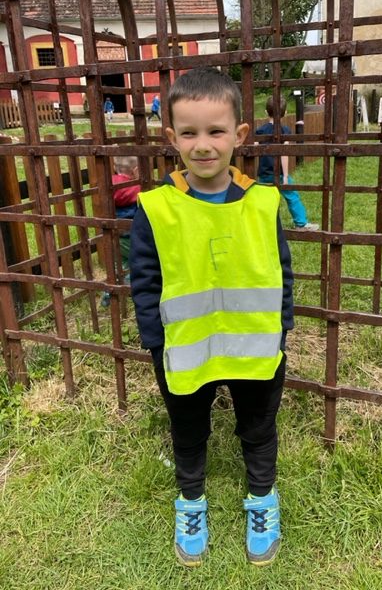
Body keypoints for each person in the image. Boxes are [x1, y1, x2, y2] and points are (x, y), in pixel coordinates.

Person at [129, 67, 293, 567]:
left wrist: (282, 329)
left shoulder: (263, 202)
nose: (203, 145)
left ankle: (262, 500)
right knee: (188, 429)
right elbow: (145, 280)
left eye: (216, 131)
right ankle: (191, 502)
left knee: (258, 428)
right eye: (189, 133)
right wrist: (156, 342)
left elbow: (281, 270)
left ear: (239, 134)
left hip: (255, 345)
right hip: (185, 348)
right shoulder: (156, 208)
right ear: (171, 137)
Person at [256, 95, 319, 231]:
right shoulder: (284, 131)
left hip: (264, 173)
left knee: (265, 200)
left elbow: (254, 148)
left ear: (266, 112)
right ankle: (301, 223)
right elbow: (284, 153)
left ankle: (264, 225)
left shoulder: (260, 131)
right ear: (285, 113)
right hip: (279, 173)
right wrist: (285, 175)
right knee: (292, 196)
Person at [100, 155, 141, 307]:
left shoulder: (110, 185)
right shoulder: (137, 188)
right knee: (136, 264)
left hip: (114, 234)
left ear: (115, 168)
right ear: (135, 170)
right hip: (132, 236)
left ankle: (109, 293)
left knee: (120, 265)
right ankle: (129, 287)